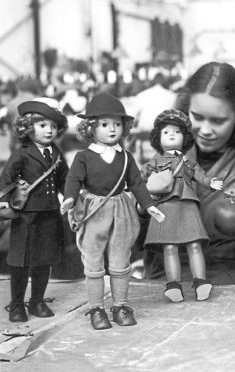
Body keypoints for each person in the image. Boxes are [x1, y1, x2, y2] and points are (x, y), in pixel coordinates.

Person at [145, 61, 235, 285]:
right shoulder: (165, 158)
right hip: (161, 282)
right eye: (197, 117)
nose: (205, 130)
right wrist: (140, 206)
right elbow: (133, 247)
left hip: (225, 286)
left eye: (218, 121)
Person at [60, 92, 165, 330]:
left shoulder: (126, 157)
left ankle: (120, 306)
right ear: (90, 128)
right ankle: (96, 308)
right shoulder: (84, 156)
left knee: (120, 260)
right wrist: (69, 198)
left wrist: (149, 206)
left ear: (124, 127)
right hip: (94, 210)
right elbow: (73, 180)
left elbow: (137, 184)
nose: (111, 129)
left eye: (117, 124)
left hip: (121, 211)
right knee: (93, 261)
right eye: (104, 124)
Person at [0, 98, 69, 322]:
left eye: (53, 126)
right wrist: (3, 201)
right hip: (25, 216)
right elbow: (6, 179)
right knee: (20, 261)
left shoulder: (56, 154)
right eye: (43, 125)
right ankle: (17, 305)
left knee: (44, 260)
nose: (49, 131)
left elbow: (64, 179)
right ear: (28, 127)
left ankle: (37, 301)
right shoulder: (22, 154)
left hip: (50, 213)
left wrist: (71, 197)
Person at [141, 109, 223, 302]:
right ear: (157, 138)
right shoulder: (155, 162)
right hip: (165, 207)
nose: (171, 134)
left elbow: (200, 175)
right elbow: (139, 178)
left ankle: (200, 282)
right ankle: (173, 284)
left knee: (194, 244)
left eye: (177, 132)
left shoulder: (187, 162)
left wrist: (210, 182)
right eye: (166, 132)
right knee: (169, 247)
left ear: (184, 138)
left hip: (187, 205)